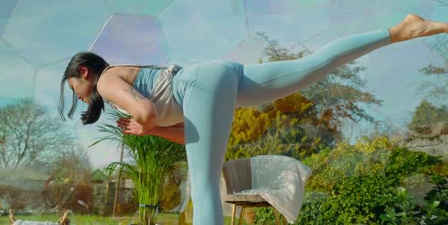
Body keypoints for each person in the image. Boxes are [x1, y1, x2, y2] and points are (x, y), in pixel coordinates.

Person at [59, 14, 448, 224]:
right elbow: (186, 136)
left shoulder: (108, 79)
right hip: (214, 80)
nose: (77, 93)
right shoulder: (124, 79)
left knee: (204, 183)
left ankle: (398, 30)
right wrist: (155, 128)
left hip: (199, 85)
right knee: (311, 67)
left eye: (73, 84)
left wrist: (145, 123)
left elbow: (144, 112)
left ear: (85, 72)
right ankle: (399, 31)